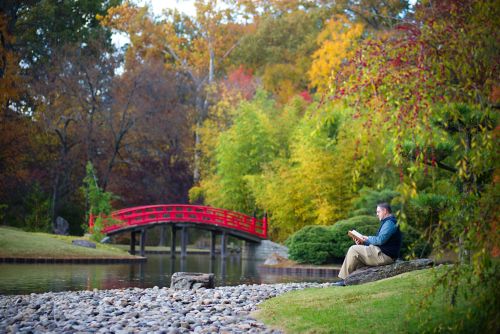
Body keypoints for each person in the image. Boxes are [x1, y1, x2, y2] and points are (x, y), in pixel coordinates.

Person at [334, 202, 402, 286]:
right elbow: (381, 241)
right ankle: (351, 280)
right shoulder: (388, 222)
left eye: (378, 212)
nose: (377, 214)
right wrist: (363, 242)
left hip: (385, 256)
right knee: (356, 252)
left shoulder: (389, 223)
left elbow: (380, 240)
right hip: (382, 253)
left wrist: (367, 238)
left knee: (353, 249)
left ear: (384, 211)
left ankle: (344, 280)